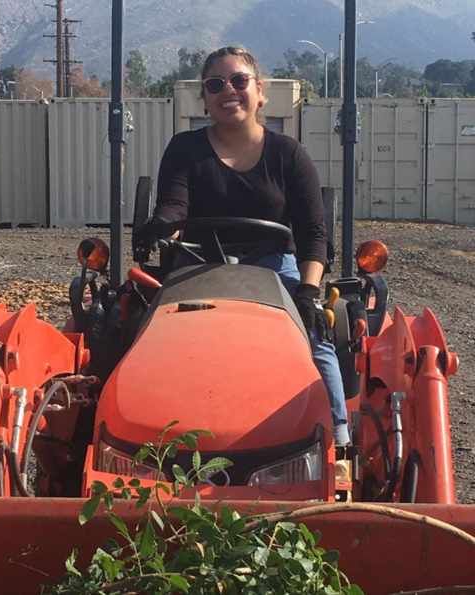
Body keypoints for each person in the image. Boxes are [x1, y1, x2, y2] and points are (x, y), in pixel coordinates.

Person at [150, 46, 350, 446]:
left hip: (274, 268)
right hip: (197, 269)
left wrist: (309, 293)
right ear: (205, 99)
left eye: (239, 81)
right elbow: (174, 207)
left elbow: (314, 234)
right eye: (215, 84)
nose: (229, 90)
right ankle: (150, 431)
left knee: (314, 336)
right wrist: (162, 226)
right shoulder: (185, 150)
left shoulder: (288, 155)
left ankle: (339, 438)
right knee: (150, 337)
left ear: (260, 91)